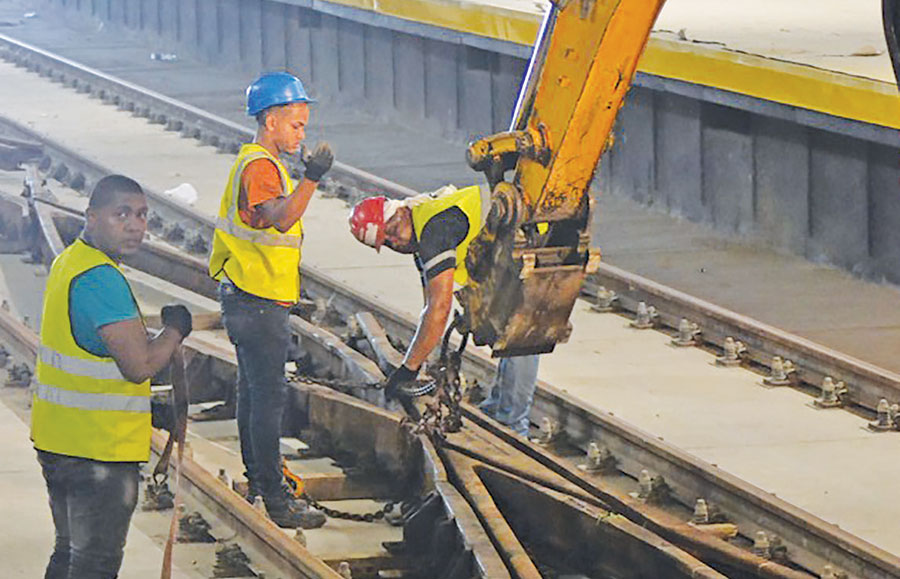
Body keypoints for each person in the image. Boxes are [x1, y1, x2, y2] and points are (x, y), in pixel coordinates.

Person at [32, 174, 193, 579]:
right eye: (121, 214)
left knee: (70, 554)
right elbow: (139, 366)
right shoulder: (102, 279)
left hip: (59, 441)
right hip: (97, 454)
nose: (135, 225)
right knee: (95, 565)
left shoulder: (69, 262)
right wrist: (174, 330)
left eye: (141, 215)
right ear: (91, 216)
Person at [208, 72, 333, 529]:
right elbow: (280, 220)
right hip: (256, 303)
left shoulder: (262, 163)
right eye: (296, 125)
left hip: (251, 299)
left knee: (253, 394)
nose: (302, 134)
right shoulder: (260, 166)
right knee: (267, 400)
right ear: (270, 120)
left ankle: (261, 482)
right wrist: (312, 179)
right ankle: (273, 496)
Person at [347, 184, 540, 436]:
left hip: (531, 236)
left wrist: (408, 369)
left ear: (401, 212)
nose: (397, 242)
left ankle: (514, 425)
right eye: (388, 242)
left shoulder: (433, 231)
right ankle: (499, 409)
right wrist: (418, 359)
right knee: (505, 327)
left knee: (519, 331)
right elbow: (430, 307)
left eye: (393, 231)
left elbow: (439, 309)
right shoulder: (419, 226)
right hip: (512, 241)